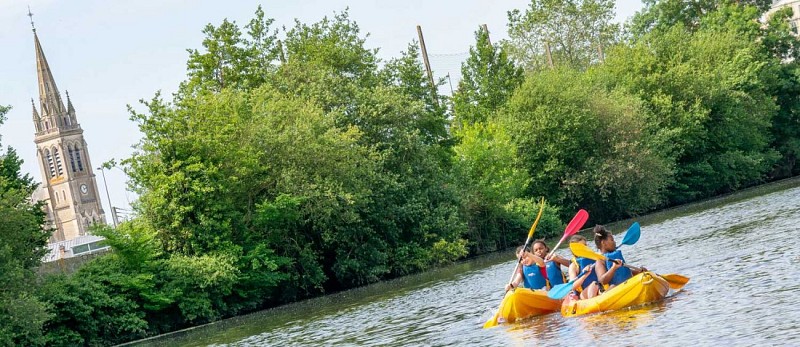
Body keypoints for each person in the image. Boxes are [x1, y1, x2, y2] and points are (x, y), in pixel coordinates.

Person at [593, 225, 646, 290]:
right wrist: (613, 268)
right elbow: (603, 281)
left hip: (626, 285)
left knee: (644, 276)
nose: (615, 242)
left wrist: (638, 271)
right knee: (613, 286)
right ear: (604, 243)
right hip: (614, 290)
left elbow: (625, 272)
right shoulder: (600, 261)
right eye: (612, 240)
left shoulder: (616, 255)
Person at [505, 240, 569, 291]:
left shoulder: (542, 261)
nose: (539, 251)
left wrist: (557, 259)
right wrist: (511, 286)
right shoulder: (522, 267)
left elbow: (541, 262)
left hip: (554, 290)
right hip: (534, 294)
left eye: (540, 248)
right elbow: (516, 281)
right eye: (521, 259)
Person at [567, 235, 601, 299]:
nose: (585, 248)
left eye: (585, 245)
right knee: (594, 284)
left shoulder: (595, 257)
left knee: (597, 285)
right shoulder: (573, 266)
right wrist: (584, 275)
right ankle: (593, 306)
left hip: (599, 288)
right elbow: (572, 286)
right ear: (574, 250)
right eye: (581, 247)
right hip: (584, 294)